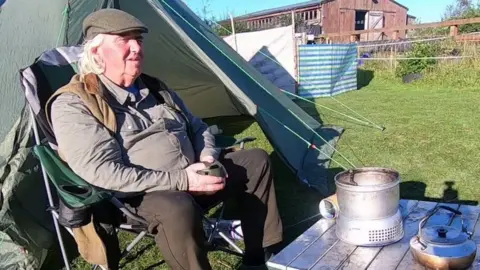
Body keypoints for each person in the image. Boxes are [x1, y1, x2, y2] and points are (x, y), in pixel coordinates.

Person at [48, 8, 283, 270]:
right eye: (123, 40)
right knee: (177, 206)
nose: (136, 48)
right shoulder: (75, 102)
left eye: (138, 39)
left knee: (255, 160)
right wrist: (182, 179)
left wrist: (207, 157)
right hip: (136, 197)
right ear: (95, 52)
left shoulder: (155, 87)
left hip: (194, 176)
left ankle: (260, 256)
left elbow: (198, 127)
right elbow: (102, 171)